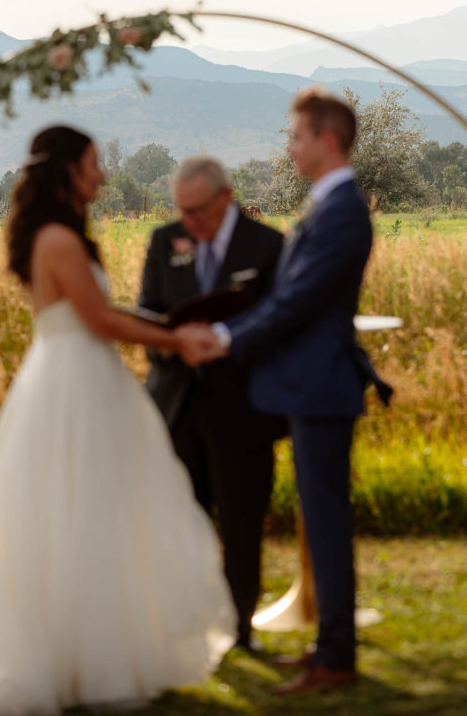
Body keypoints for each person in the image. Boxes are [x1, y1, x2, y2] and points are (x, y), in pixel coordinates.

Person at [0, 126, 235, 715]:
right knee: (77, 513)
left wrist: (165, 328)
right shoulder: (57, 238)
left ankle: (90, 654)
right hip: (72, 384)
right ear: (67, 172)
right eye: (93, 164)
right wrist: (175, 340)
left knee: (94, 513)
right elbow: (99, 321)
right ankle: (74, 660)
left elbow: (103, 313)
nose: (102, 174)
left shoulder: (58, 235)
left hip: (78, 376)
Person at [185, 87, 387, 695]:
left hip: (320, 386)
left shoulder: (343, 210)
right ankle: (329, 647)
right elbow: (284, 299)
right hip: (309, 386)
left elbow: (294, 304)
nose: (291, 146)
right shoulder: (327, 205)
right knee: (320, 519)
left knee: (325, 522)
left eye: (297, 136)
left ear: (328, 140)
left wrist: (222, 335)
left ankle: (337, 660)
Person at [139, 156, 285, 651]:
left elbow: (279, 325)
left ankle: (242, 629)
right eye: (182, 211)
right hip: (178, 405)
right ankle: (186, 624)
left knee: (242, 524)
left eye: (198, 211)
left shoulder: (267, 246)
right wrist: (173, 343)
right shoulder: (165, 241)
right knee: (182, 522)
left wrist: (226, 341)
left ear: (226, 197)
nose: (190, 223)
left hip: (243, 407)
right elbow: (149, 318)